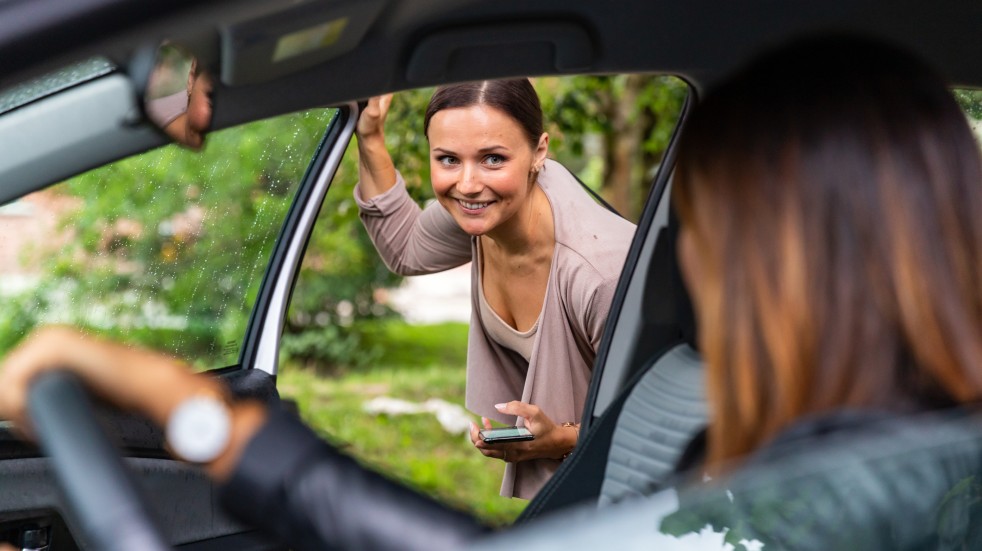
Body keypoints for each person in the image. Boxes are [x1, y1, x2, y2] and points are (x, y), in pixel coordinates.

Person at [3, 34, 982, 551]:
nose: (695, 259)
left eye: (715, 226)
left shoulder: (844, 497)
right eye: (448, 162)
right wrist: (377, 145)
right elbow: (401, 238)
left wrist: (197, 414)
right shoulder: (844, 459)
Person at [353, 80, 636, 498]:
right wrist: (371, 135)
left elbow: (663, 414)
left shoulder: (600, 276)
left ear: (540, 151)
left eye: (493, 159)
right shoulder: (485, 211)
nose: (467, 184)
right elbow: (406, 249)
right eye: (448, 159)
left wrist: (560, 438)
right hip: (579, 492)